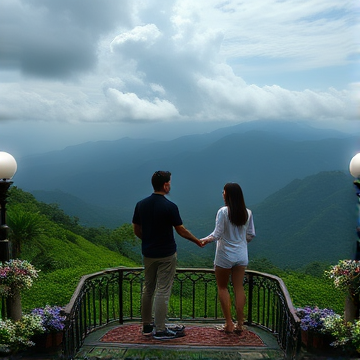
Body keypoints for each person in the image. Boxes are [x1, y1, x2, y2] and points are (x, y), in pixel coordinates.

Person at [132, 170, 203, 340]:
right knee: (162, 290)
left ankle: (147, 326)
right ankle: (161, 329)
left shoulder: (141, 204)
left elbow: (136, 229)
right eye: (169, 182)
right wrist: (197, 241)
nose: (170, 185)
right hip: (166, 254)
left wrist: (148, 239)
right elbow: (181, 230)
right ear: (165, 185)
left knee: (148, 288)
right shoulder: (170, 207)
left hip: (148, 254)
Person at [201, 182, 255, 333]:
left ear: (228, 195)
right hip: (242, 255)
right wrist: (241, 242)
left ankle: (229, 324)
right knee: (239, 288)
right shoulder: (248, 212)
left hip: (225, 255)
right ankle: (240, 324)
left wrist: (203, 240)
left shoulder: (223, 212)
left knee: (223, 287)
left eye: (224, 192)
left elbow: (217, 234)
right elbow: (250, 234)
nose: (222, 195)